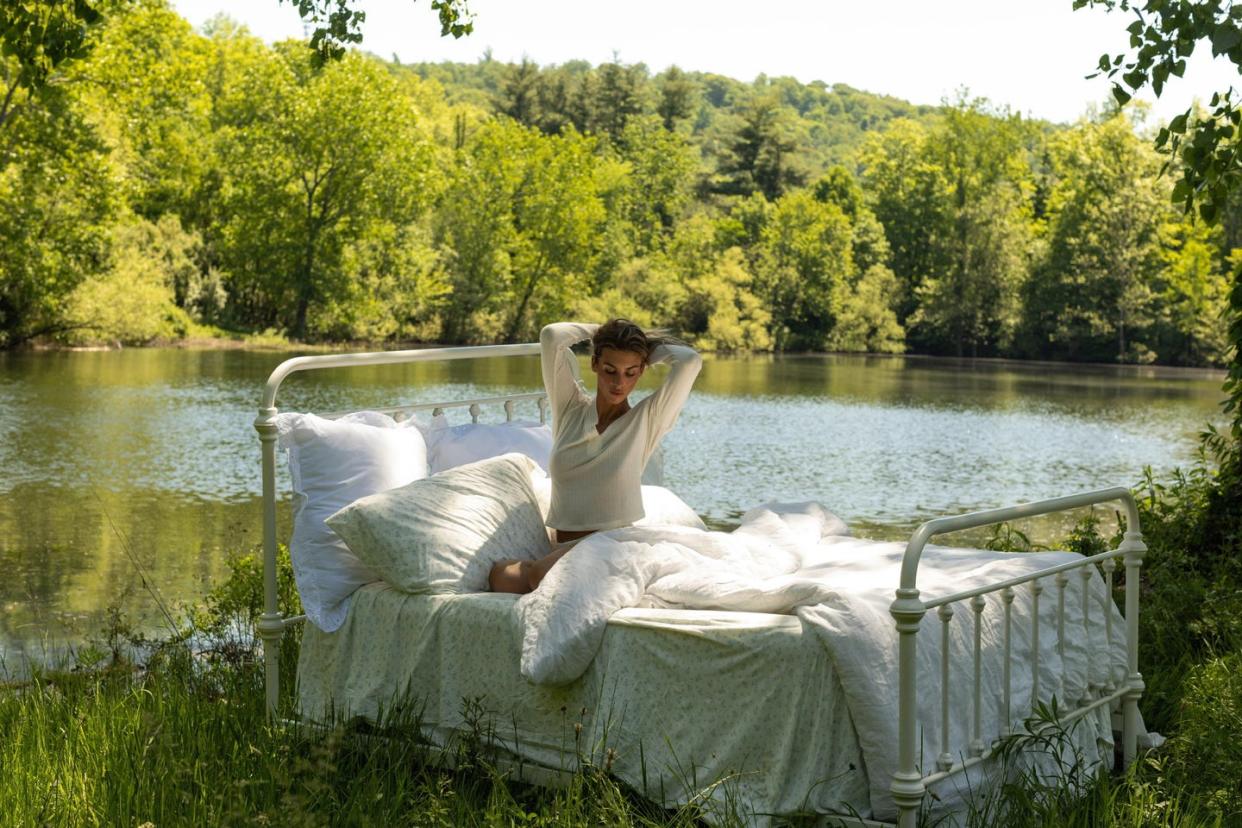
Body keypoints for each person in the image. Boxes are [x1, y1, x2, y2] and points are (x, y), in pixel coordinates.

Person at [489, 319, 702, 593]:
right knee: (498, 575)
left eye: (631, 373)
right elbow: (552, 336)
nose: (618, 383)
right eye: (610, 369)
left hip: (613, 545)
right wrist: (602, 333)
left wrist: (645, 348)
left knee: (535, 576)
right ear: (594, 364)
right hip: (566, 549)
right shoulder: (570, 410)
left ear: (641, 371)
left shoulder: (646, 420)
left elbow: (690, 361)